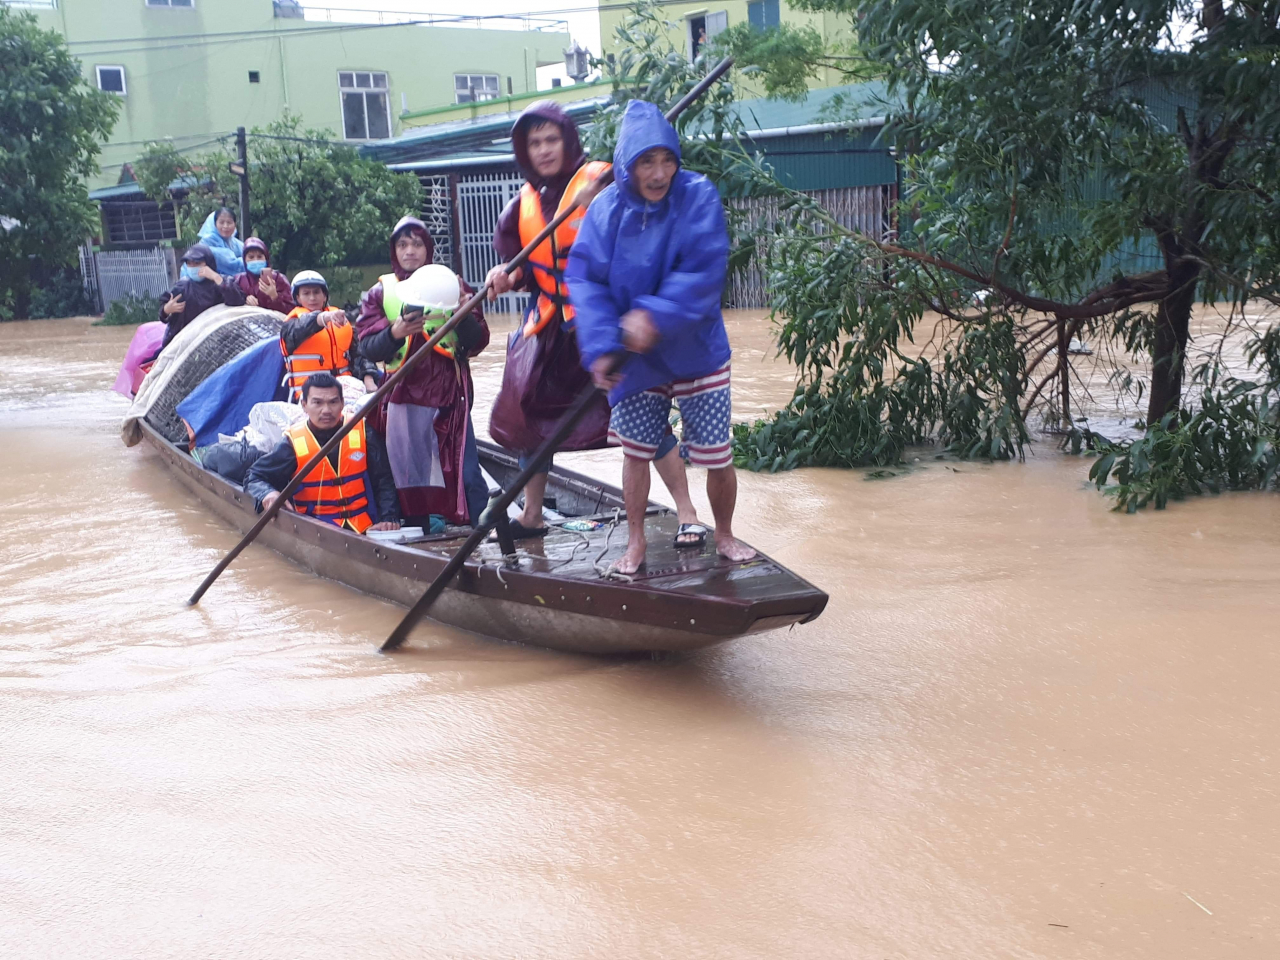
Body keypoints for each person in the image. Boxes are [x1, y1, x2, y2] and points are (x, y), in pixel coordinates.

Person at [566, 99, 757, 575]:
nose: (658, 172)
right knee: (635, 451)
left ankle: (726, 534)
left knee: (716, 453)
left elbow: (704, 270)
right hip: (634, 356)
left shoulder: (698, 195)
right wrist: (602, 345)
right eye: (646, 161)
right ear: (627, 166)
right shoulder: (606, 211)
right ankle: (635, 544)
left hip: (696, 346)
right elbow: (586, 282)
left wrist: (653, 315)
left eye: (666, 159)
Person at [486, 101, 619, 539]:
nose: (543, 150)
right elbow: (524, 269)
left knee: (638, 410)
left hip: (599, 316)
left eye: (551, 139)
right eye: (534, 143)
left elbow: (645, 187)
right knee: (527, 420)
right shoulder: (522, 205)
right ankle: (532, 514)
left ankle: (688, 513)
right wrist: (505, 277)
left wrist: (605, 190)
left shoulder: (603, 178)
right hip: (549, 323)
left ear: (568, 141)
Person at [355, 216, 490, 529]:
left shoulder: (455, 286)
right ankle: (421, 535)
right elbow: (368, 348)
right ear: (394, 251)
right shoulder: (380, 293)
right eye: (402, 244)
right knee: (409, 478)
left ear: (428, 249)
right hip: (403, 396)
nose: (410, 251)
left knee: (467, 473)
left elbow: (479, 340)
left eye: (417, 243)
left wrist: (462, 315)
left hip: (449, 395)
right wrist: (395, 332)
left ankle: (483, 530)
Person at [244, 372, 401, 533]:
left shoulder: (363, 430)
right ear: (304, 405)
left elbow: (384, 479)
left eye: (333, 402)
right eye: (317, 403)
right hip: (315, 530)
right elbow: (254, 477)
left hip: (365, 528)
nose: (326, 410)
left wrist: (389, 518)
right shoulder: (292, 443)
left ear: (342, 403)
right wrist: (268, 494)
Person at [280, 269, 378, 401]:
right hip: (308, 395)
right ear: (297, 298)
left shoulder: (340, 320)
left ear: (325, 296)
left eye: (316, 292)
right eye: (306, 293)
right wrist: (323, 318)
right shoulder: (290, 326)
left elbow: (362, 353)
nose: (312, 298)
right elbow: (302, 327)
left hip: (345, 390)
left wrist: (368, 379)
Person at [156, 242, 247, 351]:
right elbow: (164, 313)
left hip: (219, 342)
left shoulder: (222, 283)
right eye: (189, 263)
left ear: (208, 263)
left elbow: (237, 301)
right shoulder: (182, 287)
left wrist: (215, 277)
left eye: (197, 263)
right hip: (186, 344)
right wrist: (166, 310)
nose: (193, 267)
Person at [233, 238, 295, 314]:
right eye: (251, 257)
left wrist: (275, 297)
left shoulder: (279, 279)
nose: (255, 260)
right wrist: (244, 299)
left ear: (266, 258)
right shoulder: (238, 280)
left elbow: (291, 311)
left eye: (259, 257)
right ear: (244, 260)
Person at [198, 207, 245, 277]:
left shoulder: (238, 244)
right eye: (221, 222)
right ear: (215, 224)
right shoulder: (207, 242)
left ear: (235, 224)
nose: (225, 226)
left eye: (229, 222)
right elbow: (230, 263)